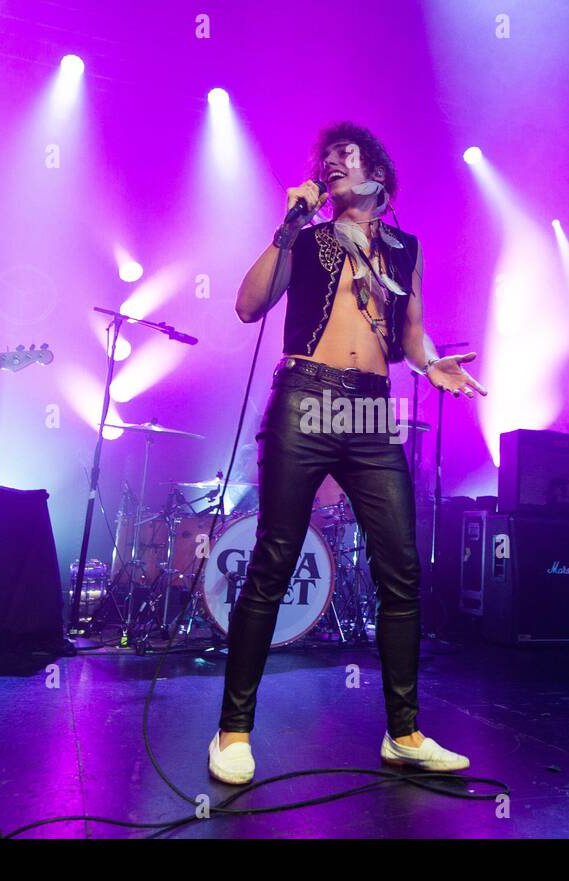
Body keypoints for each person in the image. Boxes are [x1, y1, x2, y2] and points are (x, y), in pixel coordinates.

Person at [209, 122, 487, 783]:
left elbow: (411, 336)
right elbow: (248, 306)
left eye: (346, 156)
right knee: (274, 558)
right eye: (325, 159)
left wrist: (430, 367)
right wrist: (288, 223)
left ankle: (405, 732)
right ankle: (233, 730)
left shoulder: (405, 249)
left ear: (378, 176)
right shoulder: (307, 240)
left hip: (369, 407)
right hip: (305, 397)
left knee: (400, 568)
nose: (332, 164)